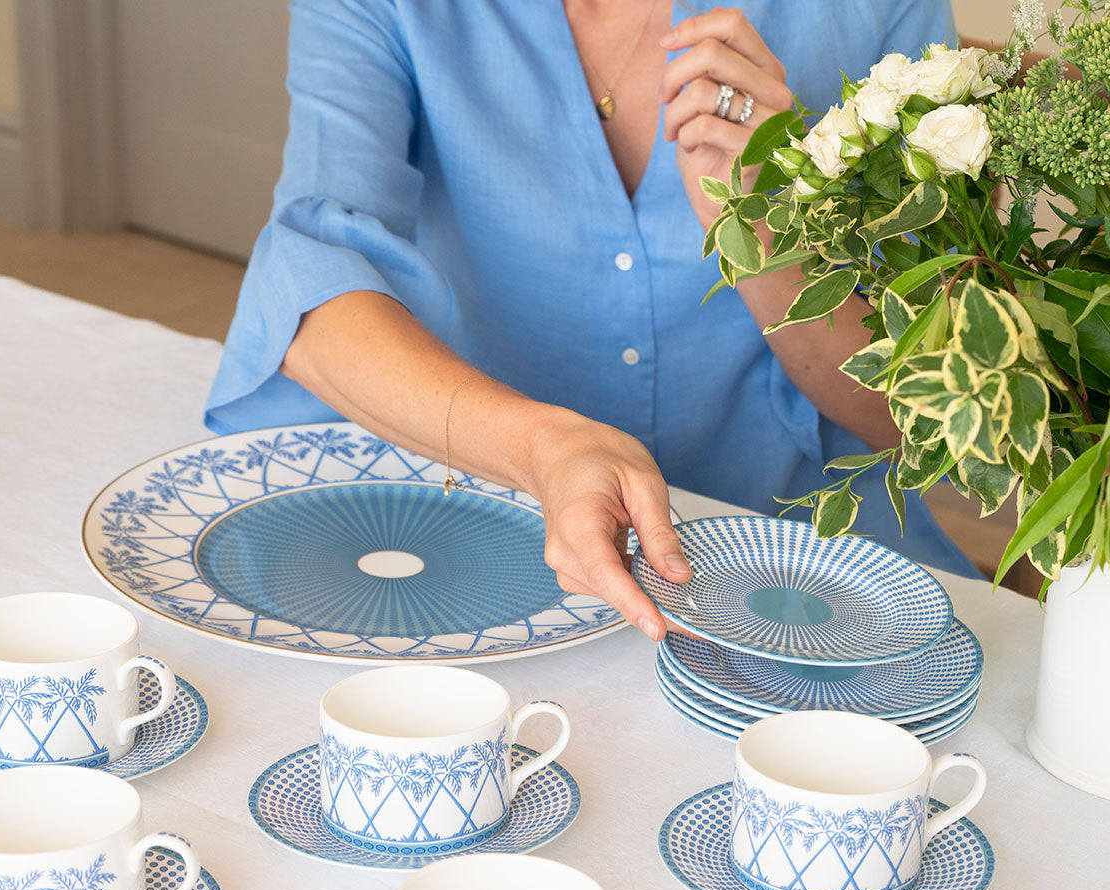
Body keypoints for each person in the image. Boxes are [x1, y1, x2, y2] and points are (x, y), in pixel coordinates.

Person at [206, 0, 979, 643]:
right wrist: (544, 449)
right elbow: (310, 287)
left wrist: (760, 231)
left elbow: (919, 415)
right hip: (486, 540)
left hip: (796, 569)